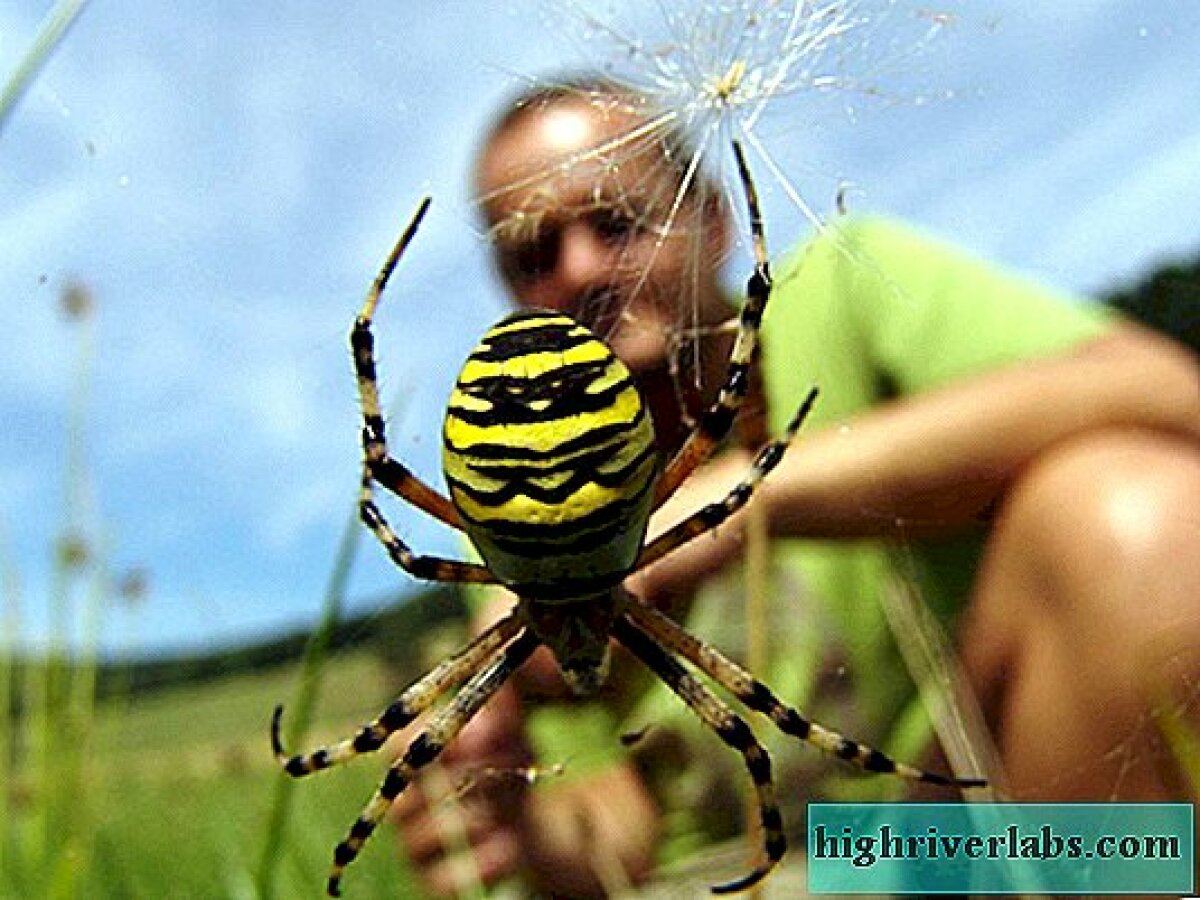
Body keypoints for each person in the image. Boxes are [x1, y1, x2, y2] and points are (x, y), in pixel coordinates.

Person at [392, 77, 1200, 897]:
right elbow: (633, 815)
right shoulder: (508, 499)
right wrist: (510, 822)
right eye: (532, 255)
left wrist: (743, 500)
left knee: (1137, 514)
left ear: (711, 218)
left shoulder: (842, 287)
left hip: (952, 837)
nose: (582, 269)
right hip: (749, 875)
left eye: (616, 220)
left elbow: (1169, 392)